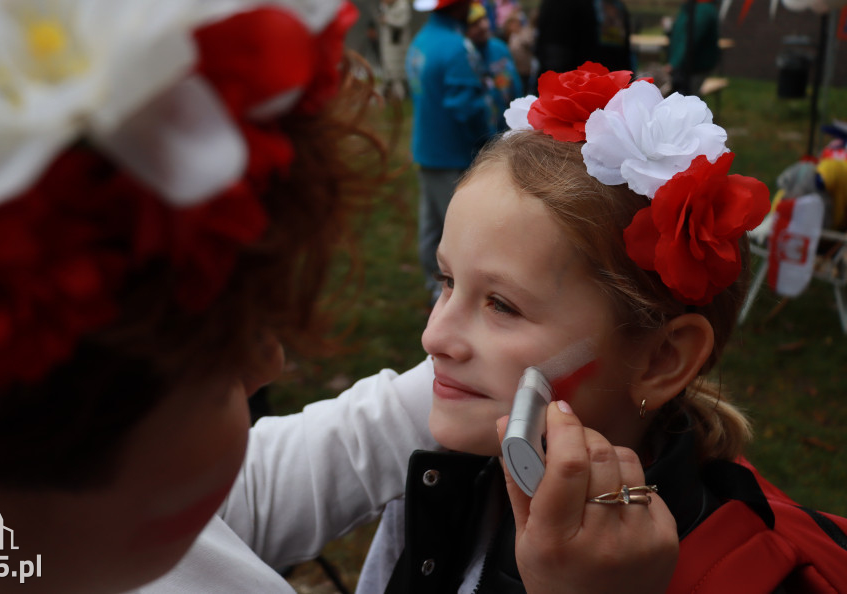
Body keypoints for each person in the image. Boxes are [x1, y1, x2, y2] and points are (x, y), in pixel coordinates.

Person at [0, 0, 444, 592]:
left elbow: (224, 514)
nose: (270, 361)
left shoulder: (59, 540)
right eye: (207, 371)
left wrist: (437, 396)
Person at [357, 63, 847, 593]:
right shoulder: (448, 477)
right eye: (448, 281)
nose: (433, 338)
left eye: (501, 304)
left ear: (662, 360)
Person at [406, 0, 497, 304]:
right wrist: (489, 142)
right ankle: (457, 296)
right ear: (455, 4)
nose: (474, 2)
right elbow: (466, 108)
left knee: (431, 224)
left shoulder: (422, 41)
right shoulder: (457, 48)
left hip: (427, 149)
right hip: (453, 153)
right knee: (460, 231)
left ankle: (434, 286)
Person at [466, 0, 522, 133]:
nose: (484, 26)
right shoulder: (464, 56)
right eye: (475, 23)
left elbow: (516, 86)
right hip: (480, 134)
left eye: (484, 18)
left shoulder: (500, 48)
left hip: (508, 127)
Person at [666, 0, 722, 97]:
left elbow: (690, 38)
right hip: (686, 66)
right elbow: (682, 33)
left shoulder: (703, 10)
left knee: (689, 98)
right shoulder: (690, 7)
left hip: (695, 67)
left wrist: (674, 63)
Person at [378, 0, 411, 103]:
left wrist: (387, 20)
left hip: (398, 45)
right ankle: (388, 94)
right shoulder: (388, 4)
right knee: (388, 69)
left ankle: (401, 95)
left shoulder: (402, 5)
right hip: (388, 45)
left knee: (398, 71)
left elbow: (402, 22)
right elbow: (384, 15)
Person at [504, 13, 536, 97]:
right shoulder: (507, 37)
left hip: (525, 69)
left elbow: (530, 43)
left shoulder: (523, 33)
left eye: (517, 23)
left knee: (525, 89)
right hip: (514, 70)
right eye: (513, 24)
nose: (516, 26)